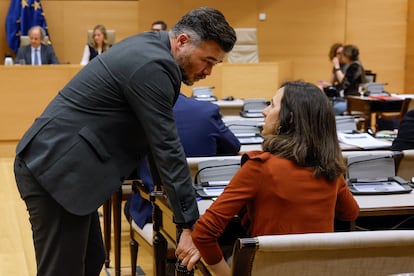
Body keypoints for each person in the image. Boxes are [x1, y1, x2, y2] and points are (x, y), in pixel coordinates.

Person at [13, 7, 236, 275]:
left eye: (216, 64)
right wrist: (188, 223)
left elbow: (155, 139)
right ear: (182, 41)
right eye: (207, 60)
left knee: (92, 259)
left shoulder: (153, 50)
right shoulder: (155, 65)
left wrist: (165, 195)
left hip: (67, 167)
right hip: (54, 169)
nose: (209, 72)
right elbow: (167, 145)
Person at [191, 81, 360, 275]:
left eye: (271, 104)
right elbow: (350, 214)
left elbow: (203, 233)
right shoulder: (330, 168)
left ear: (289, 119)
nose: (264, 111)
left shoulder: (260, 167)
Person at [125, 93, 241, 228]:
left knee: (131, 203)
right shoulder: (206, 110)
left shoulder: (139, 113)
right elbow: (233, 146)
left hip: (157, 209)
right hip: (210, 205)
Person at [333, 44, 367, 114]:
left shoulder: (355, 67)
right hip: (352, 99)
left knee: (331, 107)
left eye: (343, 54)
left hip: (354, 101)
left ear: (347, 55)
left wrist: (330, 89)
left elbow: (344, 84)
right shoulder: (355, 65)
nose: (342, 57)